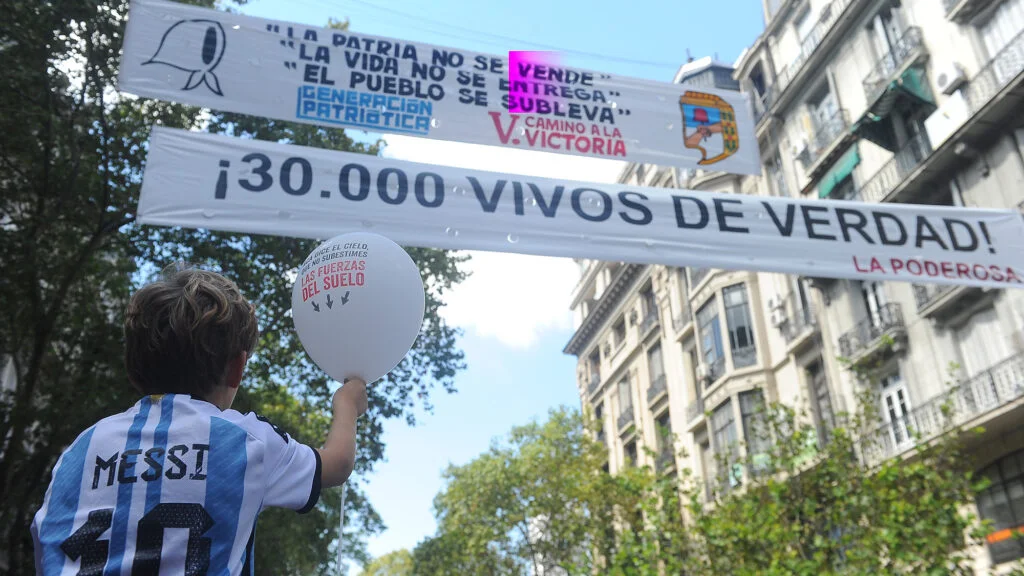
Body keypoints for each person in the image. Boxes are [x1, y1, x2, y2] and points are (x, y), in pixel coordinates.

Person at [30, 266, 368, 575]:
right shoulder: (247, 442)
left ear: (133, 368)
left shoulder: (81, 449)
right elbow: (337, 463)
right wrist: (347, 403)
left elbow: (48, 545)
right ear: (237, 368)